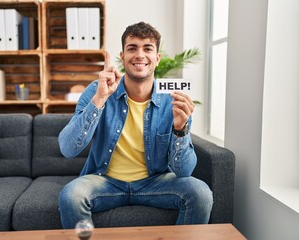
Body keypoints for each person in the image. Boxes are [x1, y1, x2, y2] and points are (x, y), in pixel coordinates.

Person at [58, 21, 213, 229]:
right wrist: (99, 100)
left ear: (157, 59)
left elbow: (184, 171)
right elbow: (67, 149)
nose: (140, 55)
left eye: (147, 48)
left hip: (154, 182)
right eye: (132, 48)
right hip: (105, 181)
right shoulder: (99, 90)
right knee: (71, 195)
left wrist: (180, 129)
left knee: (200, 192)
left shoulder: (175, 100)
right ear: (122, 57)